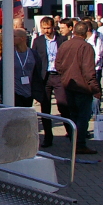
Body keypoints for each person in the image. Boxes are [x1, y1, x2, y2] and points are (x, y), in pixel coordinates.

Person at [56, 21, 100, 154]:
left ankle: (75, 141)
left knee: (74, 115)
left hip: (68, 85)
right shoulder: (86, 47)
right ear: (86, 33)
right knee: (82, 116)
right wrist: (96, 89)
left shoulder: (65, 45)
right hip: (82, 87)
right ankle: (79, 144)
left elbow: (58, 65)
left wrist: (64, 76)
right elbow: (88, 71)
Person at [31, 16, 66, 147]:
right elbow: (34, 58)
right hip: (44, 77)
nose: (46, 31)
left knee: (63, 105)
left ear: (53, 27)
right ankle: (48, 137)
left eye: (48, 28)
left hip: (58, 76)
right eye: (44, 28)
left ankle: (71, 133)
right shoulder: (38, 41)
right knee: (45, 108)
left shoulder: (62, 40)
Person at [12, 29, 37, 108]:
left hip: (29, 92)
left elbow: (37, 74)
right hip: (15, 92)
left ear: (22, 38)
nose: (11, 38)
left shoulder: (33, 54)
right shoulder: (9, 53)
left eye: (14, 36)